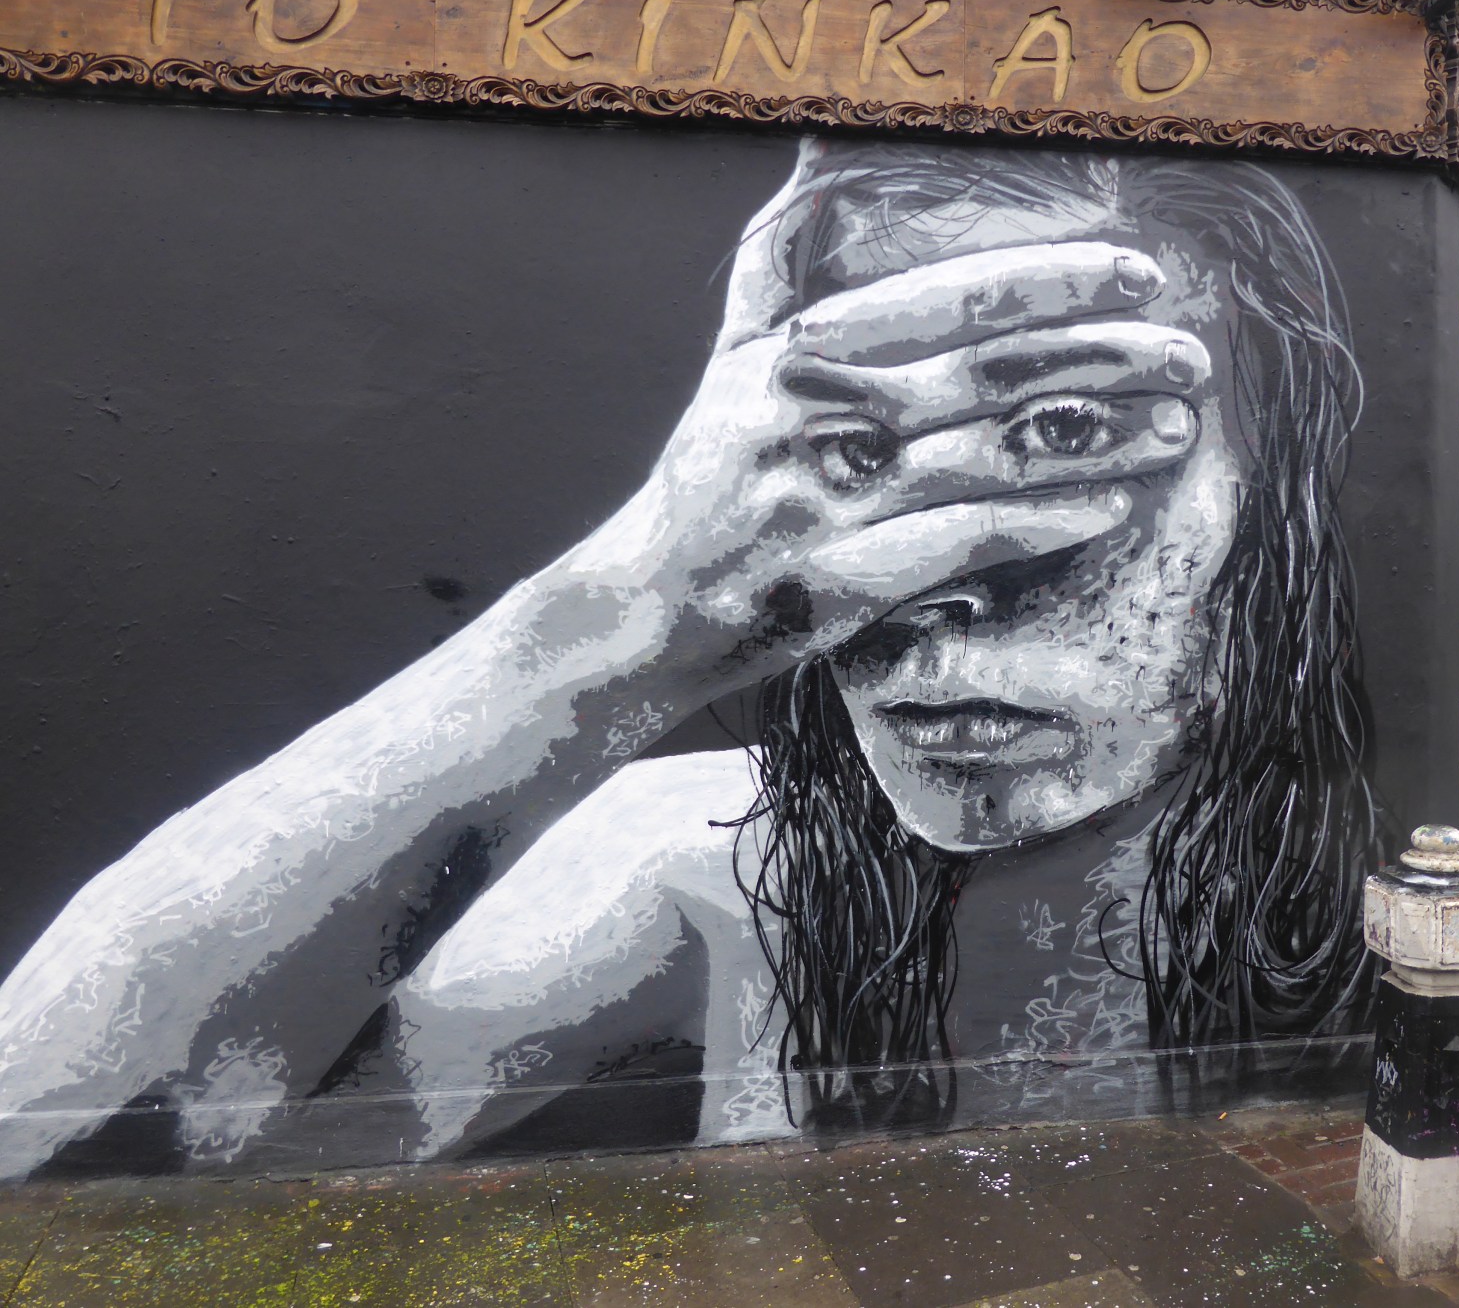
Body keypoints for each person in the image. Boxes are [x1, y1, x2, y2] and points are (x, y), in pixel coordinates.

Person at [0, 140, 1383, 1175]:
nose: (921, 581)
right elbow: (66, 1149)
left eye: (1069, 432)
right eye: (855, 455)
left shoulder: (1410, 924)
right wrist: (628, 621)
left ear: (1278, 490)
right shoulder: (719, 865)